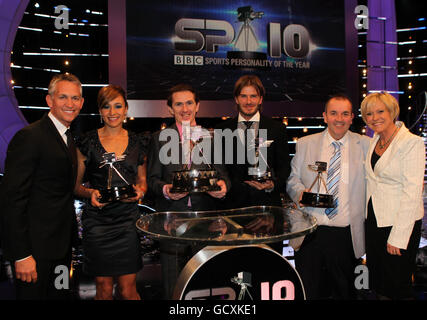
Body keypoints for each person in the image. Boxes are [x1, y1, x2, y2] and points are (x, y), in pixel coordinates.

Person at [0, 73, 84, 299]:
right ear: (50, 101)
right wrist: (21, 255)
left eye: (75, 98)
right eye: (63, 97)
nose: (70, 104)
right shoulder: (30, 137)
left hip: (62, 250)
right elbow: (12, 199)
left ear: (82, 103)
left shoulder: (67, 137)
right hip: (34, 254)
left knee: (60, 296)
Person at [147, 83, 230, 298]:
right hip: (171, 221)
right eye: (179, 104)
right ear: (170, 109)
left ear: (198, 106)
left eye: (189, 103)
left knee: (206, 283)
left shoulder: (212, 138)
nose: (185, 108)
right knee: (173, 285)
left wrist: (222, 187)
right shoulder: (159, 139)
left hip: (206, 221)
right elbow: (152, 180)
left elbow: (223, 176)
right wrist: (165, 189)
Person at [286, 94, 370, 299]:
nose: (339, 119)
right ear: (324, 116)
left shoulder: (366, 145)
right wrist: (300, 193)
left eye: (345, 114)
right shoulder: (305, 143)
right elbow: (292, 180)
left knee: (346, 293)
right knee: (310, 292)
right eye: (333, 113)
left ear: (352, 117)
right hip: (310, 233)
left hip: (346, 236)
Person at [74, 85, 146, 300]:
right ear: (100, 111)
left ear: (126, 109)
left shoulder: (139, 142)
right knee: (103, 290)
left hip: (127, 222)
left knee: (128, 289)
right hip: (97, 224)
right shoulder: (86, 142)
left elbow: (142, 181)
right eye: (106, 107)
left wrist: (140, 191)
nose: (112, 112)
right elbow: (75, 186)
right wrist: (91, 194)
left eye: (118, 106)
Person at [360, 92, 424, 300]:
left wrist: (398, 237)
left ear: (392, 112)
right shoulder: (374, 140)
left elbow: (412, 192)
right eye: (369, 114)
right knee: (378, 282)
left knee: (396, 286)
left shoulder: (411, 142)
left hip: (399, 224)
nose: (374, 117)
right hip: (375, 219)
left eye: (380, 111)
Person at [215, 74, 290, 253]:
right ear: (236, 98)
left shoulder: (277, 129)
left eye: (253, 96)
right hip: (234, 212)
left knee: (267, 267)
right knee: (238, 270)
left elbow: (285, 168)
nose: (248, 101)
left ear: (261, 99)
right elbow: (220, 169)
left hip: (268, 211)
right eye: (244, 96)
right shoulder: (222, 130)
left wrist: (273, 184)